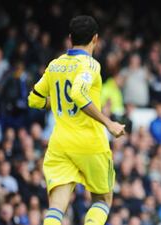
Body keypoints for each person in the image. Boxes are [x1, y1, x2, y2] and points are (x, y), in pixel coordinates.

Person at [28, 15, 125, 225]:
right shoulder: (90, 65)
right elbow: (78, 94)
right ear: (95, 39)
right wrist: (109, 123)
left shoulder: (55, 65)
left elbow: (34, 100)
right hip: (91, 143)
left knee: (56, 208)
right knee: (103, 199)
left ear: (70, 38)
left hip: (60, 144)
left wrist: (54, 103)